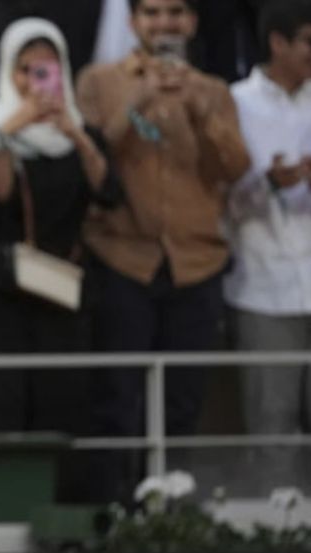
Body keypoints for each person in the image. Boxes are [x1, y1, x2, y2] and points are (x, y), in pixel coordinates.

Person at [76, 0, 250, 502]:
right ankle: (115, 513)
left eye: (176, 12)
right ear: (132, 23)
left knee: (184, 400)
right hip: (121, 257)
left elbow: (235, 168)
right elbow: (93, 160)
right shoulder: (98, 81)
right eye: (151, 13)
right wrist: (140, 101)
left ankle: (170, 514)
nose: (165, 22)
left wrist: (198, 110)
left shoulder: (214, 90)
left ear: (193, 22)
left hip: (197, 263)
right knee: (117, 397)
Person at [0, 19, 118, 467]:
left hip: (56, 290)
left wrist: (74, 132)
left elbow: (110, 192)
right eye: (25, 69)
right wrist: (11, 131)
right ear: (8, 71)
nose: (35, 81)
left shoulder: (81, 132)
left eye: (47, 68)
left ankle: (56, 512)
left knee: (60, 401)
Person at [225, 0, 311, 516]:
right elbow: (220, 202)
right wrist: (265, 184)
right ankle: (280, 523)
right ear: (277, 42)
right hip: (261, 280)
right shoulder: (233, 102)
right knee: (271, 418)